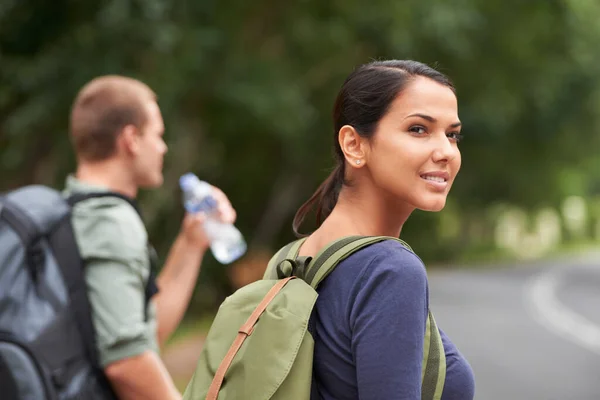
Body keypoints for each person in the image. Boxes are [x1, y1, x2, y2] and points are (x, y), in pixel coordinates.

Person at [292, 60, 475, 399]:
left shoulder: (292, 258)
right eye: (418, 129)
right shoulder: (390, 270)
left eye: (453, 134)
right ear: (354, 145)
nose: (446, 151)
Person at [64, 75, 236, 400]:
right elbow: (126, 360)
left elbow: (145, 333)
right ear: (131, 139)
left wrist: (191, 242)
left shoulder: (77, 210)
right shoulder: (109, 222)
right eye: (157, 134)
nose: (163, 147)